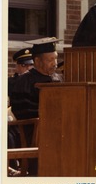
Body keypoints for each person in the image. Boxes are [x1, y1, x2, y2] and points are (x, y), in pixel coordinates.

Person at [9, 37, 62, 176]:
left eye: (56, 59)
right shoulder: (24, 82)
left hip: (58, 129)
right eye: (50, 60)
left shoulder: (59, 80)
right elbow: (23, 112)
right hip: (34, 132)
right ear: (37, 61)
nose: (55, 63)